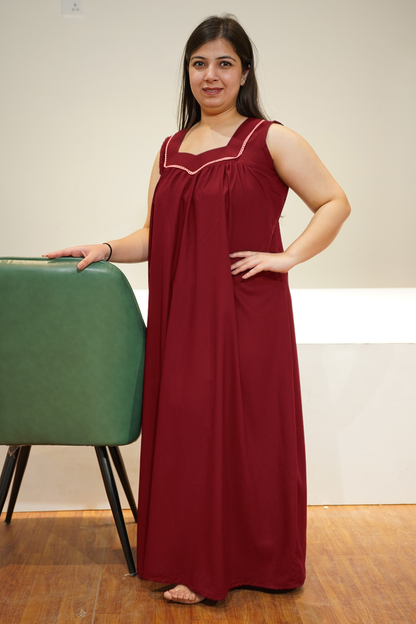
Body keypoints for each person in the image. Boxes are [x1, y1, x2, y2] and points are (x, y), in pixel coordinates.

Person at [45, 14, 350, 605]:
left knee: (250, 435)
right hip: (182, 316)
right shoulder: (169, 149)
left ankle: (256, 561)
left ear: (245, 73)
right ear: (187, 72)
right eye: (199, 63)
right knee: (191, 431)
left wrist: (286, 257)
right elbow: (154, 234)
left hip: (247, 313)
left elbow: (334, 201)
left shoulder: (270, 138)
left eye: (224, 63)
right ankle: (196, 558)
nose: (211, 75)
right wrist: (105, 247)